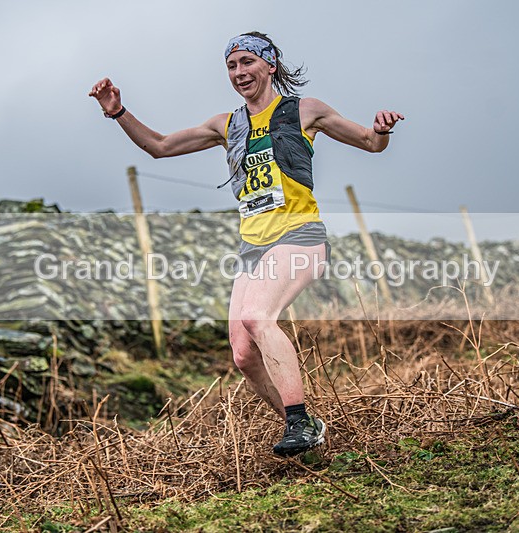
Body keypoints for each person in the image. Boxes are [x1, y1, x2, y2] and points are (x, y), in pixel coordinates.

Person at [89, 31, 403, 456]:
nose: (239, 73)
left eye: (247, 63)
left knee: (258, 317)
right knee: (242, 353)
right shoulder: (227, 124)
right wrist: (118, 112)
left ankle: (298, 422)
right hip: (252, 249)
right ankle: (307, 427)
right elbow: (160, 148)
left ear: (270, 64)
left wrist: (381, 131)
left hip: (299, 235)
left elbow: (369, 142)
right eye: (232, 66)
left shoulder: (304, 110)